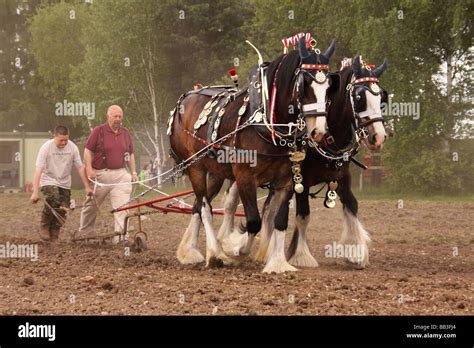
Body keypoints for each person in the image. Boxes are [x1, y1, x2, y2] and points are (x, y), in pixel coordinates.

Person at [77, 105, 138, 243]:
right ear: (108, 116)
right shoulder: (98, 131)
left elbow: (130, 154)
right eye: (115, 116)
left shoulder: (125, 132)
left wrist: (133, 172)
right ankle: (85, 231)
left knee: (122, 207)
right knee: (92, 204)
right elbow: (88, 151)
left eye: (120, 116)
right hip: (101, 174)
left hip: (121, 174)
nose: (118, 119)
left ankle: (121, 237)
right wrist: (89, 169)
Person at [30, 125, 92, 243]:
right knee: (53, 198)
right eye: (61, 140)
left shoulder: (72, 148)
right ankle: (44, 225)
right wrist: (35, 192)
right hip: (48, 180)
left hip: (64, 182)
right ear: (54, 136)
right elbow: (38, 170)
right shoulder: (46, 148)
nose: (64, 143)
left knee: (64, 208)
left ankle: (54, 234)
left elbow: (80, 167)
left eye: (66, 140)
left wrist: (87, 187)